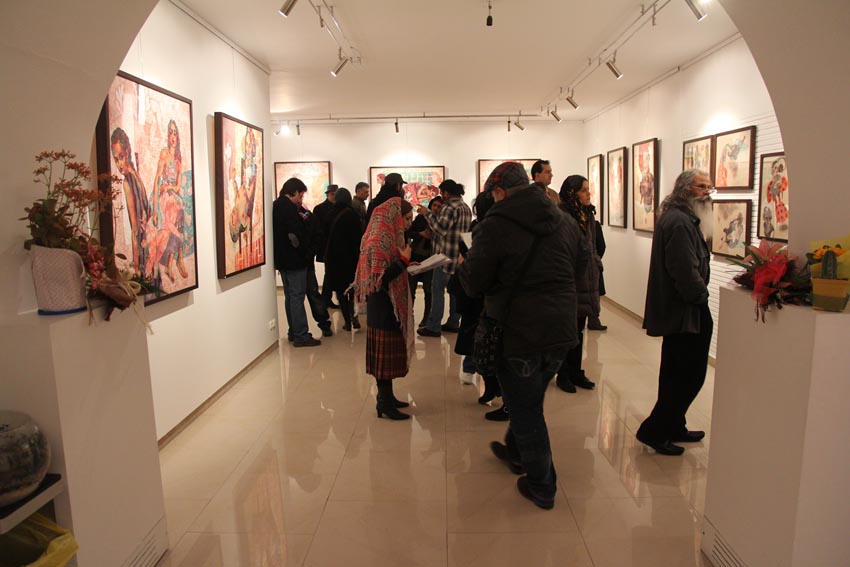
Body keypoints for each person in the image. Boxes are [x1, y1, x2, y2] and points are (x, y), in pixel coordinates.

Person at [457, 162, 587, 509]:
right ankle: (516, 451)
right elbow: (582, 266)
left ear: (499, 192)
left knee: (527, 408)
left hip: (518, 331)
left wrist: (464, 265)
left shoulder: (494, 226)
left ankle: (542, 485)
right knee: (529, 397)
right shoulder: (564, 220)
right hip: (561, 327)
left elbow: (474, 283)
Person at [636, 169, 714, 456]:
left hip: (683, 310)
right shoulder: (679, 222)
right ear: (684, 188)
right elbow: (683, 270)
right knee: (688, 376)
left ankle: (674, 425)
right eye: (700, 187)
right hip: (685, 312)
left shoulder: (680, 217)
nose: (706, 193)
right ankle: (654, 431)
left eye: (708, 187)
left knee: (675, 373)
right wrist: (701, 298)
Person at [352, 198, 415, 420]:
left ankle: (387, 397)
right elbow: (380, 278)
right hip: (382, 305)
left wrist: (405, 262)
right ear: (394, 216)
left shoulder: (387, 234)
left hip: (387, 304)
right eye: (405, 218)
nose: (407, 223)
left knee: (388, 354)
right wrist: (404, 262)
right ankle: (384, 402)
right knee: (384, 355)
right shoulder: (378, 240)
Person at [555, 175, 601, 393]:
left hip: (586, 279)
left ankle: (575, 371)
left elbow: (592, 246)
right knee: (567, 330)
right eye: (583, 190)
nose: (588, 194)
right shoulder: (562, 216)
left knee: (579, 329)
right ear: (572, 193)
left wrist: (596, 263)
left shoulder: (586, 215)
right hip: (569, 281)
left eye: (588, 189)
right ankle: (563, 373)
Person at [416, 179, 472, 337]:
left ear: (446, 193)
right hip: (459, 257)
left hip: (444, 257)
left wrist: (427, 214)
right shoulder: (465, 207)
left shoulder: (449, 207)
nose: (441, 196)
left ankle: (433, 326)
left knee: (437, 291)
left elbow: (440, 229)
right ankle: (454, 322)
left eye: (442, 193)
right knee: (455, 291)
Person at [273, 178, 321, 348]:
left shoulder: (276, 205)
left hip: (282, 260)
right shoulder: (289, 208)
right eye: (300, 195)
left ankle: (293, 332)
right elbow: (295, 236)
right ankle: (301, 335)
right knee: (297, 297)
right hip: (294, 260)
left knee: (290, 296)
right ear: (293, 192)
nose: (301, 199)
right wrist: (305, 253)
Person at [110, 127, 151, 275]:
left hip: (147, 245)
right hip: (143, 247)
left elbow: (145, 214)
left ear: (127, 151)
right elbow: (134, 231)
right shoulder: (128, 182)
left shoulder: (134, 177)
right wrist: (137, 267)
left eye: (121, 156)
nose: (119, 164)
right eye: (116, 159)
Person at [151, 119, 188, 282]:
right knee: (176, 207)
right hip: (164, 198)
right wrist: (154, 209)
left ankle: (174, 260)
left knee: (179, 208)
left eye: (175, 133)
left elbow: (178, 186)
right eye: (170, 133)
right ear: (168, 136)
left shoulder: (178, 159)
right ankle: (177, 259)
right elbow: (156, 180)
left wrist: (169, 187)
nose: (173, 136)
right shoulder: (164, 154)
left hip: (172, 194)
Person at [324, 188, 362, 331]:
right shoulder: (352, 215)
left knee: (340, 291)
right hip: (351, 259)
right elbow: (358, 238)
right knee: (352, 289)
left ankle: (347, 321)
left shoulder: (330, 214)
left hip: (334, 259)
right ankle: (354, 317)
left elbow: (325, 236)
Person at [299, 204, 333, 337]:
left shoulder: (308, 214)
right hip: (299, 262)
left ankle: (323, 323)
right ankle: (297, 331)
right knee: (299, 297)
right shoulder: (293, 214)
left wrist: (310, 253)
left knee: (311, 294)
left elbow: (318, 235)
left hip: (305, 262)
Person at [408, 196, 442, 328]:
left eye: (439, 206)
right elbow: (409, 232)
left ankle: (426, 318)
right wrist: (421, 234)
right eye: (434, 205)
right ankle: (409, 315)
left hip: (430, 259)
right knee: (411, 289)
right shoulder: (421, 218)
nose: (436, 208)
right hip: (415, 257)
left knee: (428, 290)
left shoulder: (440, 223)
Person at [314, 184, 339, 308]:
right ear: (328, 194)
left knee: (330, 273)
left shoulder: (337, 208)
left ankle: (326, 299)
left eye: (335, 194)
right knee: (329, 273)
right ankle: (325, 299)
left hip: (334, 245)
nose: (334, 196)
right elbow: (318, 229)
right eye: (332, 194)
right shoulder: (319, 209)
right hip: (326, 246)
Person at [587, 219, 608, 331]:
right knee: (593, 293)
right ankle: (593, 320)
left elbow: (602, 246)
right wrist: (595, 258)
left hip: (588, 264)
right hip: (592, 264)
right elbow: (602, 246)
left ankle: (591, 320)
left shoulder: (593, 224)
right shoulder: (594, 224)